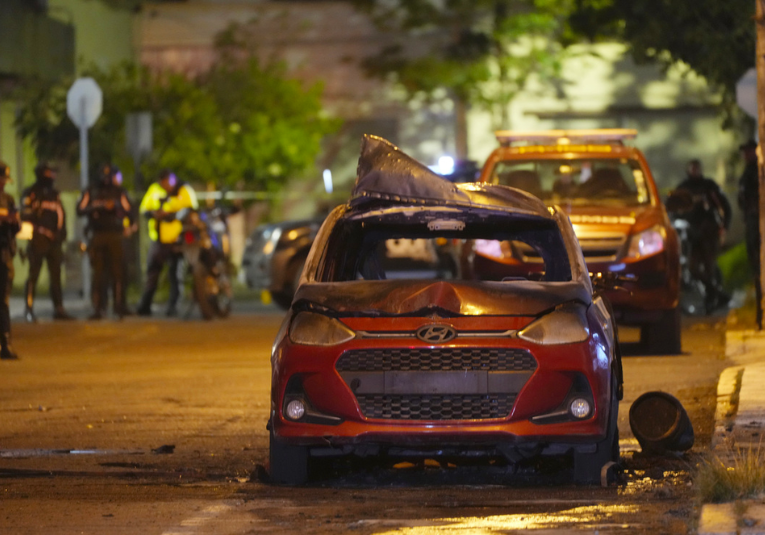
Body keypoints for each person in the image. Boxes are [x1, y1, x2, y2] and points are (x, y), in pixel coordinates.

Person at [136, 169, 198, 317]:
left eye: (168, 182)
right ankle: (145, 306)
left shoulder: (184, 189)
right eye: (163, 182)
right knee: (152, 273)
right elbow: (144, 209)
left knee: (176, 275)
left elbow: (192, 210)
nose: (166, 186)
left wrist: (172, 214)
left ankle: (173, 307)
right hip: (159, 239)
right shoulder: (154, 190)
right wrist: (154, 213)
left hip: (178, 239)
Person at [675, 158, 732, 313]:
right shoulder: (683, 188)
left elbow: (725, 206)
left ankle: (711, 299)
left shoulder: (709, 186)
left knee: (709, 268)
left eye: (697, 168)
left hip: (709, 233)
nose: (694, 171)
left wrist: (724, 226)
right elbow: (673, 207)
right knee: (693, 268)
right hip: (692, 235)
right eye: (692, 168)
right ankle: (716, 293)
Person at [77, 163, 133, 319]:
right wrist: (98, 207)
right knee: (99, 274)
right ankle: (98, 308)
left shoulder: (119, 192)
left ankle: (119, 306)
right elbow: (79, 210)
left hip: (115, 234)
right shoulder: (91, 191)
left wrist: (115, 207)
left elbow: (129, 210)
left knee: (118, 272)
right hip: (97, 235)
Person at [21, 162, 73, 322]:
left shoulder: (54, 194)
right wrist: (39, 229)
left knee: (56, 276)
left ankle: (59, 308)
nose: (53, 176)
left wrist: (60, 234)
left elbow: (61, 217)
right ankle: (29, 309)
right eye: (51, 172)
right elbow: (24, 215)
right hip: (38, 240)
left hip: (54, 242)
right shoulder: (31, 193)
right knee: (33, 275)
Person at [738, 140, 761, 326]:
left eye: (748, 151)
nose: (746, 155)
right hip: (752, 221)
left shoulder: (757, 171)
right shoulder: (747, 173)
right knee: (756, 268)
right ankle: (759, 314)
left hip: (757, 222)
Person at [0, 162, 20, 359]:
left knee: (3, 301)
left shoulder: (8, 199)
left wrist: (13, 221)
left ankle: (5, 343)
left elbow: (16, 228)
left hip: (4, 253)